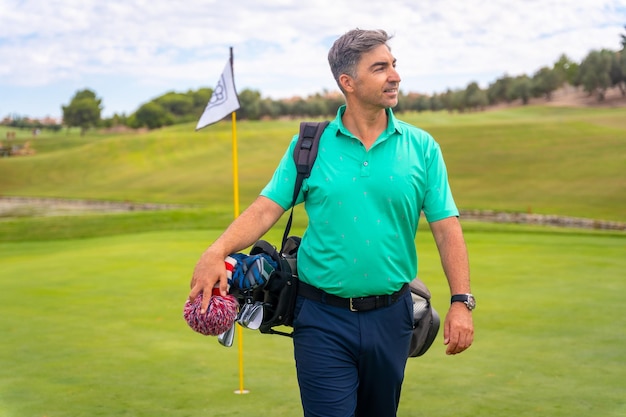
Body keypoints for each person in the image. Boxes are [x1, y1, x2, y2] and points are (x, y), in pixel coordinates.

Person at [189, 28, 474, 417]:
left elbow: (446, 227)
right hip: (320, 318)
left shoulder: (421, 147)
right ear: (348, 82)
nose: (395, 75)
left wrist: (461, 301)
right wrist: (216, 250)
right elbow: (265, 208)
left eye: (394, 65)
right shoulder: (310, 144)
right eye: (380, 68)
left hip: (392, 317)